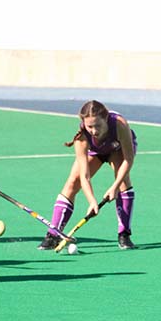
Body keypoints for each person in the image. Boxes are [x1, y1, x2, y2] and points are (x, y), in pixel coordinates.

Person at [38, 100, 137, 251]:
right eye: (90, 126)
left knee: (123, 181)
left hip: (117, 149)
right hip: (97, 151)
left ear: (105, 119)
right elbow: (84, 176)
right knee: (73, 182)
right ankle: (53, 235)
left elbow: (128, 159)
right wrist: (92, 201)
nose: (94, 131)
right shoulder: (82, 137)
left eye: (98, 126)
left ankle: (124, 235)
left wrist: (114, 187)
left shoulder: (119, 124)